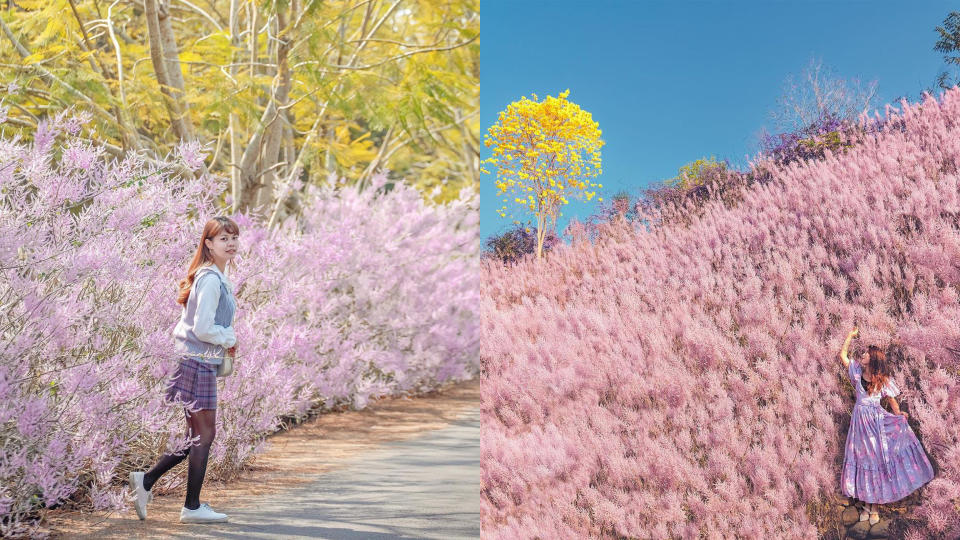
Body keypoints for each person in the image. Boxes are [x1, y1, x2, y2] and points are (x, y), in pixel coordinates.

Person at [129, 216, 240, 523]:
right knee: (204, 435)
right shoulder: (209, 279)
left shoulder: (215, 277)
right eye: (223, 239)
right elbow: (202, 328)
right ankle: (191, 507)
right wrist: (228, 338)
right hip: (196, 362)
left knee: (195, 436)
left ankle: (147, 481)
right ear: (208, 244)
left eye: (234, 238)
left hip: (196, 361)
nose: (231, 244)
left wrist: (223, 341)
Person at [838, 327, 934, 525]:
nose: (862, 355)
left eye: (866, 354)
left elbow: (891, 401)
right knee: (863, 461)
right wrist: (850, 336)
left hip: (876, 425)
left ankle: (875, 508)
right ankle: (866, 505)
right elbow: (843, 355)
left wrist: (898, 415)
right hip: (859, 426)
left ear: (872, 360)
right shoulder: (856, 372)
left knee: (877, 462)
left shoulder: (882, 380)